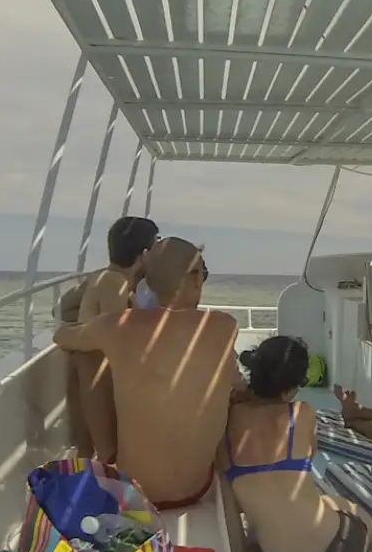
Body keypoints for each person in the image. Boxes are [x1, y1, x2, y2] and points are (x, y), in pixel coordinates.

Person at [223, 336, 372, 552]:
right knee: (348, 508)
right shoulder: (302, 414)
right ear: (291, 389)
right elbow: (308, 456)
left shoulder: (226, 429)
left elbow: (230, 510)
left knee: (330, 503)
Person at [53, 237, 237, 508]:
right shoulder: (223, 327)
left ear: (146, 281)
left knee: (87, 357)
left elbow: (62, 336)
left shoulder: (116, 326)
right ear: (196, 278)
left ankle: (100, 453)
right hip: (196, 488)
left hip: (134, 488)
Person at [57, 217, 161, 463]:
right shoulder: (116, 284)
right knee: (109, 454)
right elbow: (117, 336)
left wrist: (84, 321)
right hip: (100, 376)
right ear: (145, 254)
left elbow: (61, 309)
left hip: (88, 370)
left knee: (89, 453)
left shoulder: (101, 277)